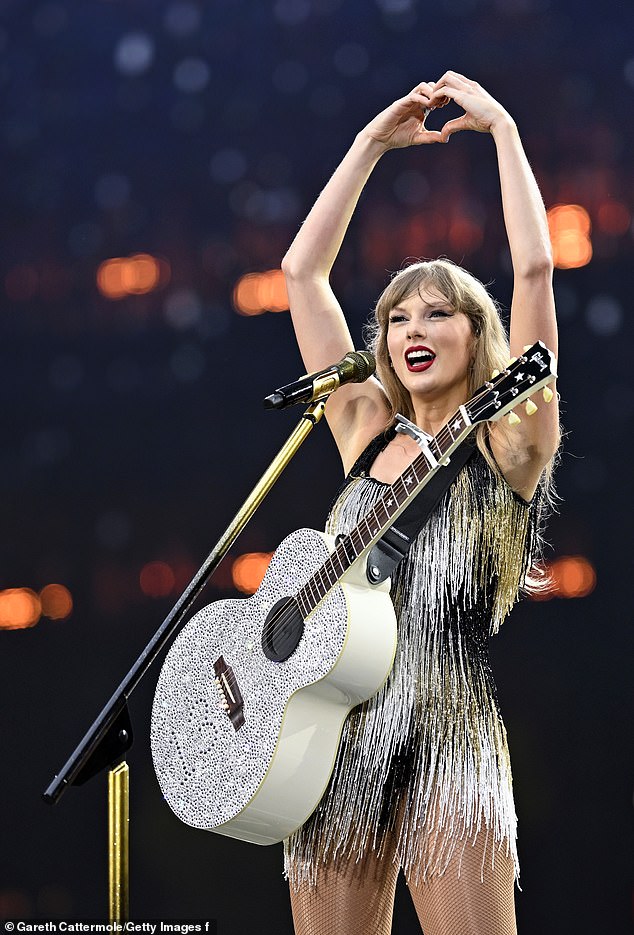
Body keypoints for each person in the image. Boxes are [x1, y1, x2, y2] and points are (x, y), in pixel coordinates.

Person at [279, 71, 559, 935]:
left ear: (478, 335)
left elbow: (538, 267)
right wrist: (369, 146)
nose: (413, 330)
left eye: (439, 314)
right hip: (334, 740)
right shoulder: (362, 429)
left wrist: (506, 130)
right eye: (398, 317)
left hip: (450, 733)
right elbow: (300, 270)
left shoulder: (510, 440)